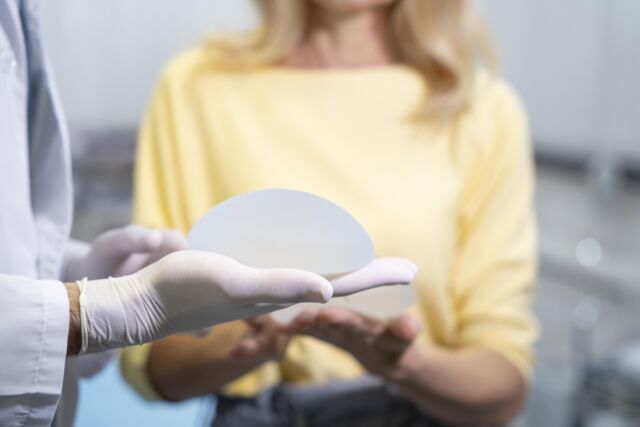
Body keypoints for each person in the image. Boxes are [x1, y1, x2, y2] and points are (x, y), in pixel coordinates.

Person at [120, 0, 538, 426]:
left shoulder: (479, 109)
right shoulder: (196, 87)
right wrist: (247, 338)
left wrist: (406, 366)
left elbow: (504, 379)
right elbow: (154, 356)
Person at [0, 1, 415, 426]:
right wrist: (92, 311)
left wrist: (68, 274)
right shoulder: (197, 85)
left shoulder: (476, 106)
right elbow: (159, 367)